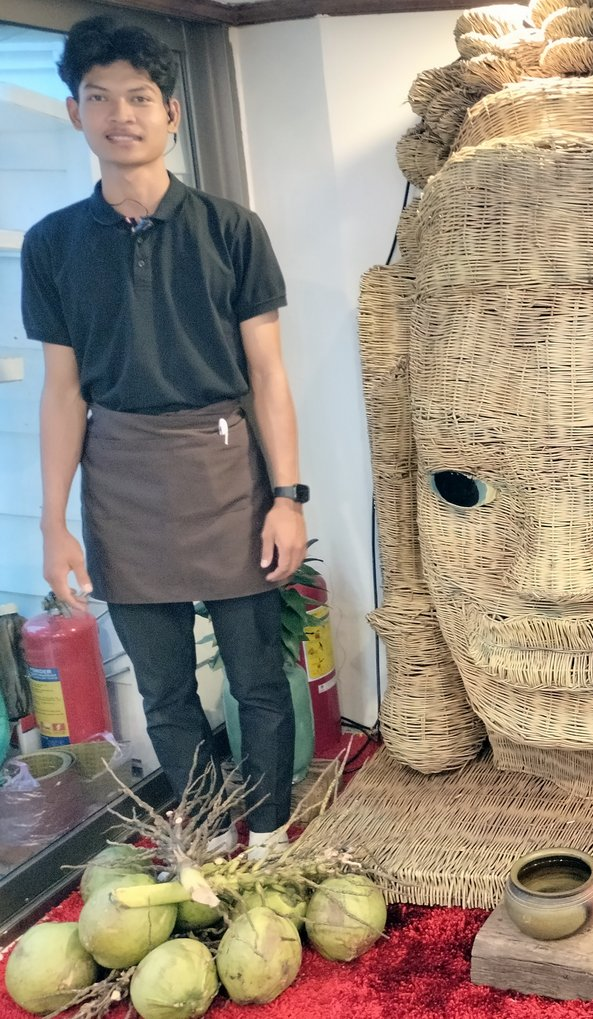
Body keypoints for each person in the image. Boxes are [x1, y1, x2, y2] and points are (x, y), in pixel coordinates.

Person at [20, 17, 308, 855]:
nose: (122, 114)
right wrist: (52, 521)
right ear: (76, 114)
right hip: (119, 480)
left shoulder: (231, 229)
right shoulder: (53, 244)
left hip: (227, 467)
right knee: (167, 688)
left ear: (171, 112)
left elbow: (269, 375)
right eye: (100, 97)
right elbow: (63, 392)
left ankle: (271, 831)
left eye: (140, 97)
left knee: (256, 679)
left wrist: (288, 497)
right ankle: (212, 830)